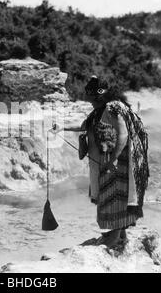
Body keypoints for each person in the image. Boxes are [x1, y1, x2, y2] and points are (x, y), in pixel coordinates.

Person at [52, 75, 149, 248]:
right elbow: (85, 125)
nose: (90, 103)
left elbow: (123, 135)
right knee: (109, 196)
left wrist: (113, 160)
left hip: (121, 161)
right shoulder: (101, 110)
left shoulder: (113, 108)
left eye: (91, 99)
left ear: (99, 95)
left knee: (117, 197)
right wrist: (61, 126)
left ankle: (116, 236)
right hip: (111, 160)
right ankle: (119, 234)